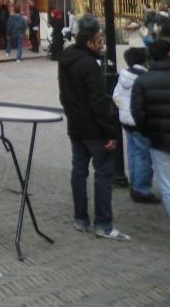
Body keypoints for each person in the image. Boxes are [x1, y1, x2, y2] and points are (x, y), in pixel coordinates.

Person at [58, 14, 129, 240]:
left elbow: (65, 95)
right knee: (103, 174)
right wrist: (110, 132)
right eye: (99, 40)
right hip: (94, 129)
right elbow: (98, 101)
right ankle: (103, 223)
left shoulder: (66, 58)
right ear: (89, 42)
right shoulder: (89, 65)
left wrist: (72, 115)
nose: (102, 44)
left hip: (76, 125)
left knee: (79, 170)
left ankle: (80, 218)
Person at [113, 46, 160, 204]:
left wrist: (124, 109)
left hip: (126, 120)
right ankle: (141, 189)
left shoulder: (124, 75)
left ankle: (135, 183)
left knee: (133, 152)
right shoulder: (144, 77)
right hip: (139, 121)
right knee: (143, 155)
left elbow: (116, 96)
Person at [131, 35, 170, 218]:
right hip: (158, 138)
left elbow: (138, 112)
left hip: (158, 140)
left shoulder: (142, 80)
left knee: (167, 184)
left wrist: (147, 132)